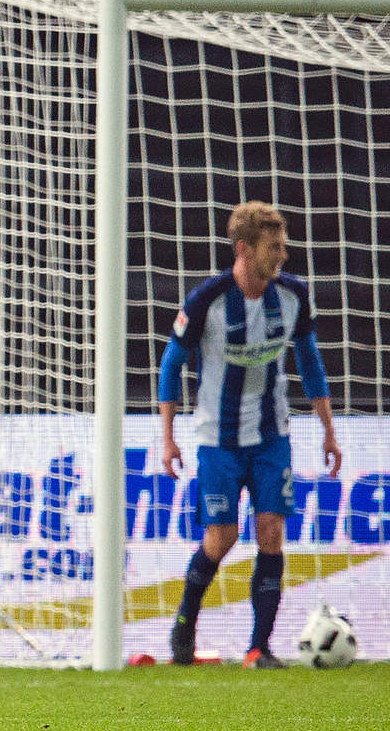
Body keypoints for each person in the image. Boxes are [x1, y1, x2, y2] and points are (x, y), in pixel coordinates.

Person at [159, 200, 342, 669]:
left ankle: (258, 649)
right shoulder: (207, 300)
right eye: (273, 246)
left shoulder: (294, 296)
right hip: (218, 440)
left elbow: (311, 364)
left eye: (282, 245)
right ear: (244, 248)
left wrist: (328, 431)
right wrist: (168, 437)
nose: (282, 255)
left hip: (270, 437)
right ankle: (184, 628)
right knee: (220, 540)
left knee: (271, 532)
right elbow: (170, 365)